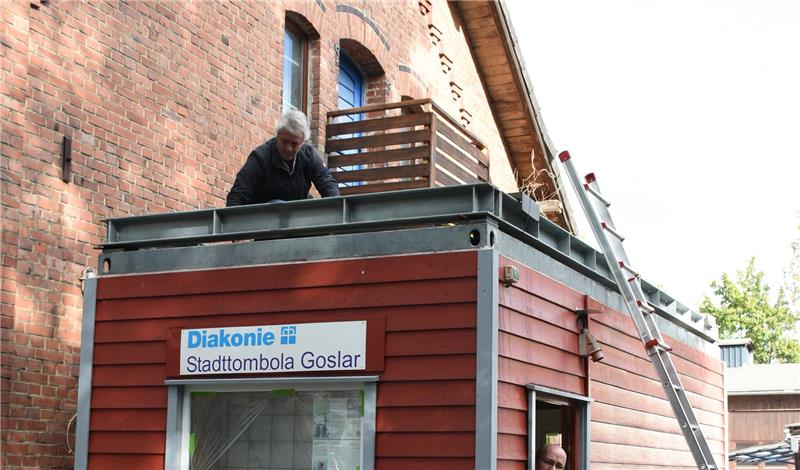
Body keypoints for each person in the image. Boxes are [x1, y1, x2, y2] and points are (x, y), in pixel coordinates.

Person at [226, 110, 340, 206]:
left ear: (302, 142)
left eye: (294, 144)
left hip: (297, 216)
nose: (288, 148)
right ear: (278, 135)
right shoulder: (260, 158)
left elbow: (328, 185)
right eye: (285, 141)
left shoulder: (309, 155)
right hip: (263, 217)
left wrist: (333, 211)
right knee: (277, 204)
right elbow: (237, 196)